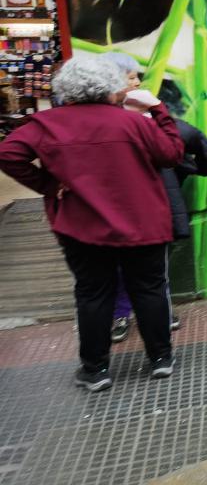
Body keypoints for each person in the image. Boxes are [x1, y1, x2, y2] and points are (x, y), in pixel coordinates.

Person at [0, 56, 183, 392]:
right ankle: (161, 359)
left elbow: (8, 154)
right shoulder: (134, 124)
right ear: (111, 87)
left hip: (79, 225)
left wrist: (48, 185)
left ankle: (95, 369)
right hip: (143, 224)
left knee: (92, 293)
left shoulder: (46, 124)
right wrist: (158, 110)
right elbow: (172, 154)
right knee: (149, 288)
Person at [105, 52, 207, 342]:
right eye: (131, 78)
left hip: (152, 209)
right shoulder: (108, 123)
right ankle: (125, 315)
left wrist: (187, 166)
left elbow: (197, 146)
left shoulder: (158, 119)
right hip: (118, 209)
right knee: (126, 268)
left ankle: (156, 315)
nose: (138, 82)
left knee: (153, 271)